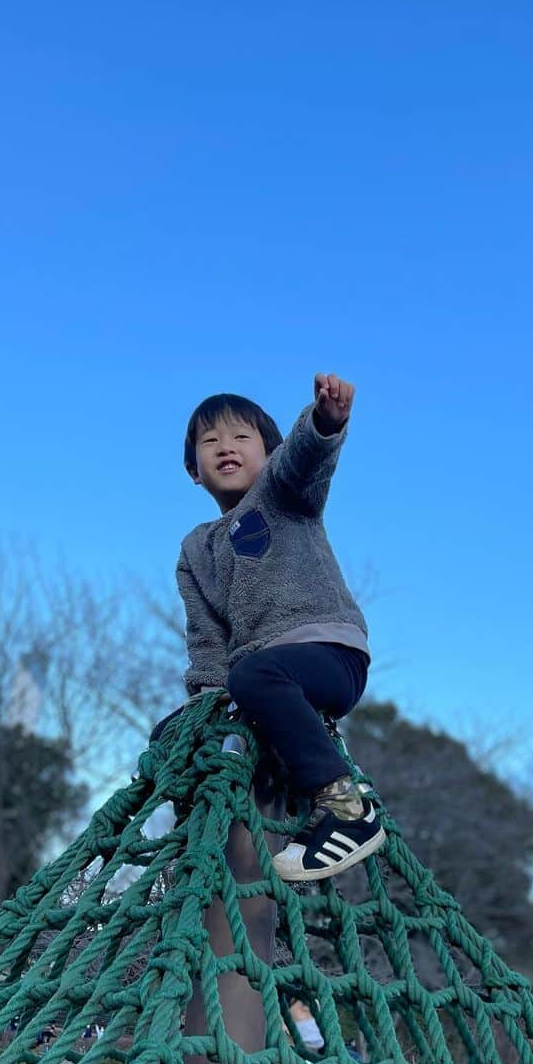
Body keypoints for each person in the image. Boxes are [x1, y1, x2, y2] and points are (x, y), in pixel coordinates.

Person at [177, 372, 385, 882]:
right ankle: (194, 848)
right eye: (210, 441)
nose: (226, 446)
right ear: (193, 470)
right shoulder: (195, 549)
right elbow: (207, 639)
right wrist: (204, 707)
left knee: (254, 675)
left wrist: (323, 423)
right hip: (261, 673)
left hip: (328, 653)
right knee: (178, 732)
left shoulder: (282, 495)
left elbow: (305, 460)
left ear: (269, 455)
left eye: (242, 437)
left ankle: (345, 807)